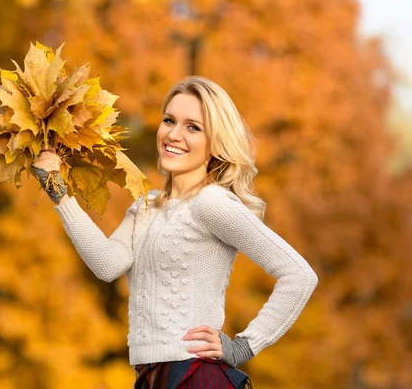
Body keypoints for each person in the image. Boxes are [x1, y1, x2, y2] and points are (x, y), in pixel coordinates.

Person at [31, 76, 319, 389]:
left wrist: (242, 346)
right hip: (151, 377)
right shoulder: (148, 205)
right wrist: (56, 188)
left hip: (196, 376)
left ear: (216, 142)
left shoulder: (212, 202)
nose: (173, 134)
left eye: (193, 127)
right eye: (169, 120)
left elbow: (299, 275)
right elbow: (107, 264)